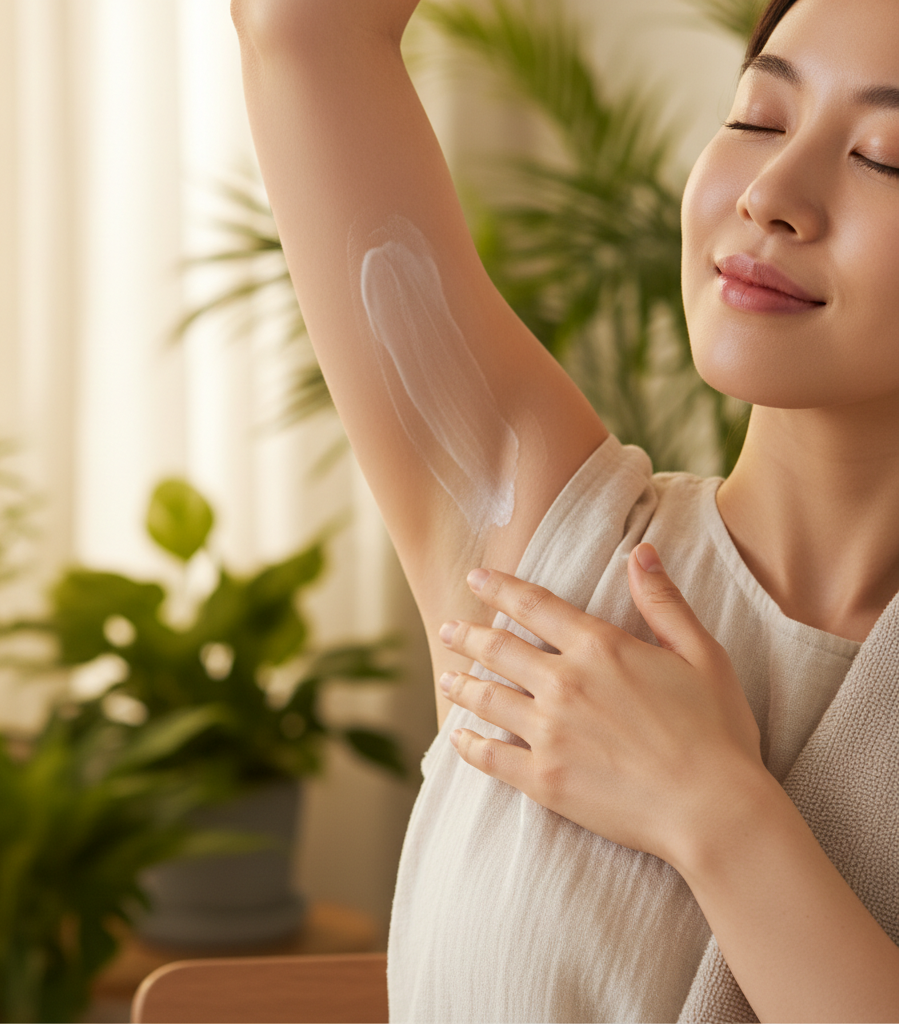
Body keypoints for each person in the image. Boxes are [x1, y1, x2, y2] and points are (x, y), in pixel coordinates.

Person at [232, 0, 899, 1019]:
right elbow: (302, 26)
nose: (770, 193)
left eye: (884, 158)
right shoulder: (542, 549)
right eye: (757, 118)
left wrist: (712, 810)